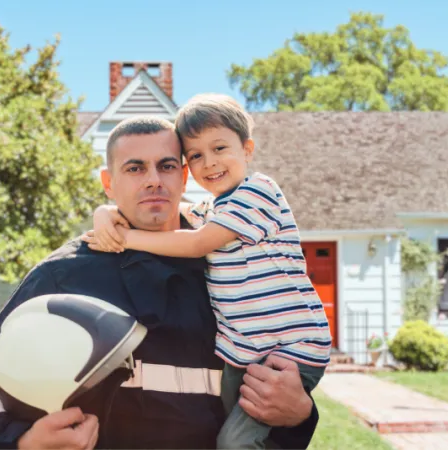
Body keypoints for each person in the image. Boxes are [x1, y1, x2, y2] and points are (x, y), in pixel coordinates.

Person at [0, 116, 320, 449]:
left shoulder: (231, 267)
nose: (154, 180)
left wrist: (300, 416)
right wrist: (20, 444)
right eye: (135, 168)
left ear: (184, 176)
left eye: (167, 165)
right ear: (109, 183)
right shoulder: (66, 272)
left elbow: (277, 392)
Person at [83, 94, 332, 449]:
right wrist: (105, 212)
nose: (209, 163)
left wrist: (126, 237)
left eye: (219, 148)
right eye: (196, 155)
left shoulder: (258, 193)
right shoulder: (216, 208)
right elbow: (163, 202)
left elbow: (198, 243)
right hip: (245, 351)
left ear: (247, 149)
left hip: (287, 349)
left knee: (235, 442)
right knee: (223, 430)